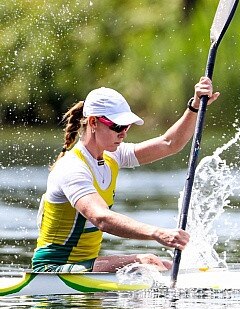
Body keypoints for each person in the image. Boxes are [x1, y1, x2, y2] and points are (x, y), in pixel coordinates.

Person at [32, 77, 219, 273]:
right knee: (149, 262)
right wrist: (156, 233)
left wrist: (195, 106)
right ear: (94, 122)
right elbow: (101, 218)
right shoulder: (72, 168)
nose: (123, 134)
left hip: (84, 266)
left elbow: (169, 144)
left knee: (164, 265)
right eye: (118, 127)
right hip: (52, 269)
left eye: (127, 127)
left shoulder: (113, 155)